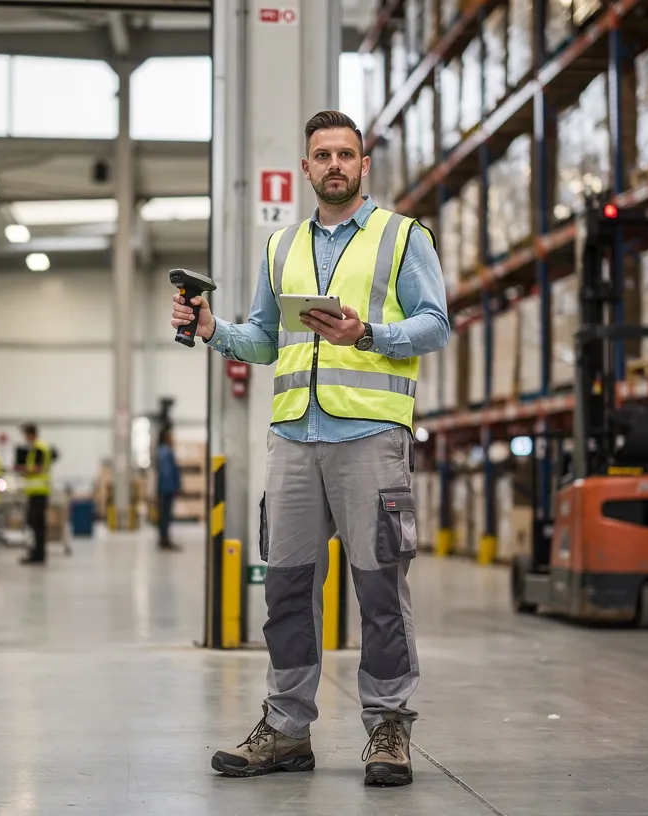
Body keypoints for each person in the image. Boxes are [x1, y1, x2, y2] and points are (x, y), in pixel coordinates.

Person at [170, 110, 449, 787]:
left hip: (370, 437)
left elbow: (436, 324)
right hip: (294, 438)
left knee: (380, 590)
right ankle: (288, 729)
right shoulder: (281, 247)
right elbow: (266, 341)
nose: (334, 164)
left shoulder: (401, 236)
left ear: (363, 165)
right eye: (322, 154)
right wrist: (213, 328)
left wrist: (369, 335)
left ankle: (387, 727)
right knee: (287, 591)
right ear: (304, 167)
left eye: (345, 154)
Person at [17, 423, 54, 565]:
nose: (25, 438)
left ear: (30, 434)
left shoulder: (38, 448)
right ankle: (37, 553)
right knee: (37, 523)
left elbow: (37, 468)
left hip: (39, 491)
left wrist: (22, 469)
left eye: (26, 435)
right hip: (37, 491)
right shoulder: (38, 447)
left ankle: (38, 554)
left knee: (35, 523)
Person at [155, 428, 183, 551]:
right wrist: (173, 488)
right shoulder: (166, 452)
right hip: (167, 489)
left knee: (164, 515)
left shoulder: (161, 451)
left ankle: (164, 539)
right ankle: (164, 540)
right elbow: (167, 473)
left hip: (164, 489)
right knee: (165, 515)